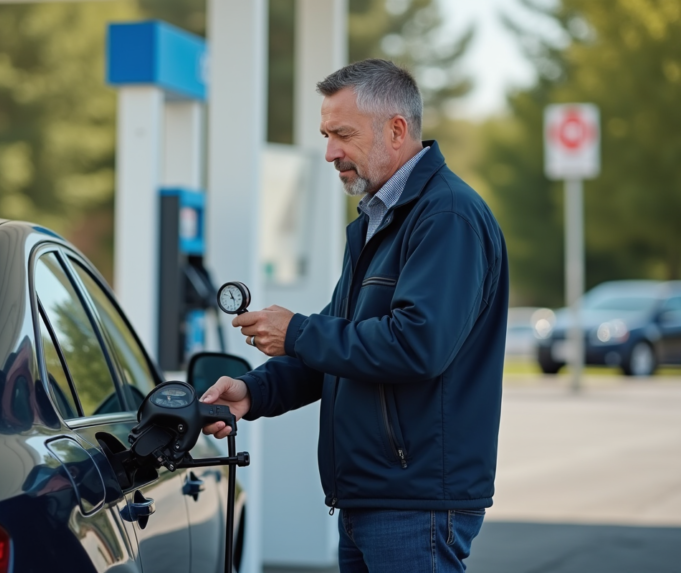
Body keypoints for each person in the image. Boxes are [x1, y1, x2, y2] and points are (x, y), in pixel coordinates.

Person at [201, 59, 508, 573]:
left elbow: (417, 344)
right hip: (373, 496)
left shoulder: (447, 216)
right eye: (326, 134)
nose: (330, 152)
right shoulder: (376, 221)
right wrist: (254, 392)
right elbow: (337, 345)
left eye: (342, 134)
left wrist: (297, 331)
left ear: (396, 129)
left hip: (415, 501)